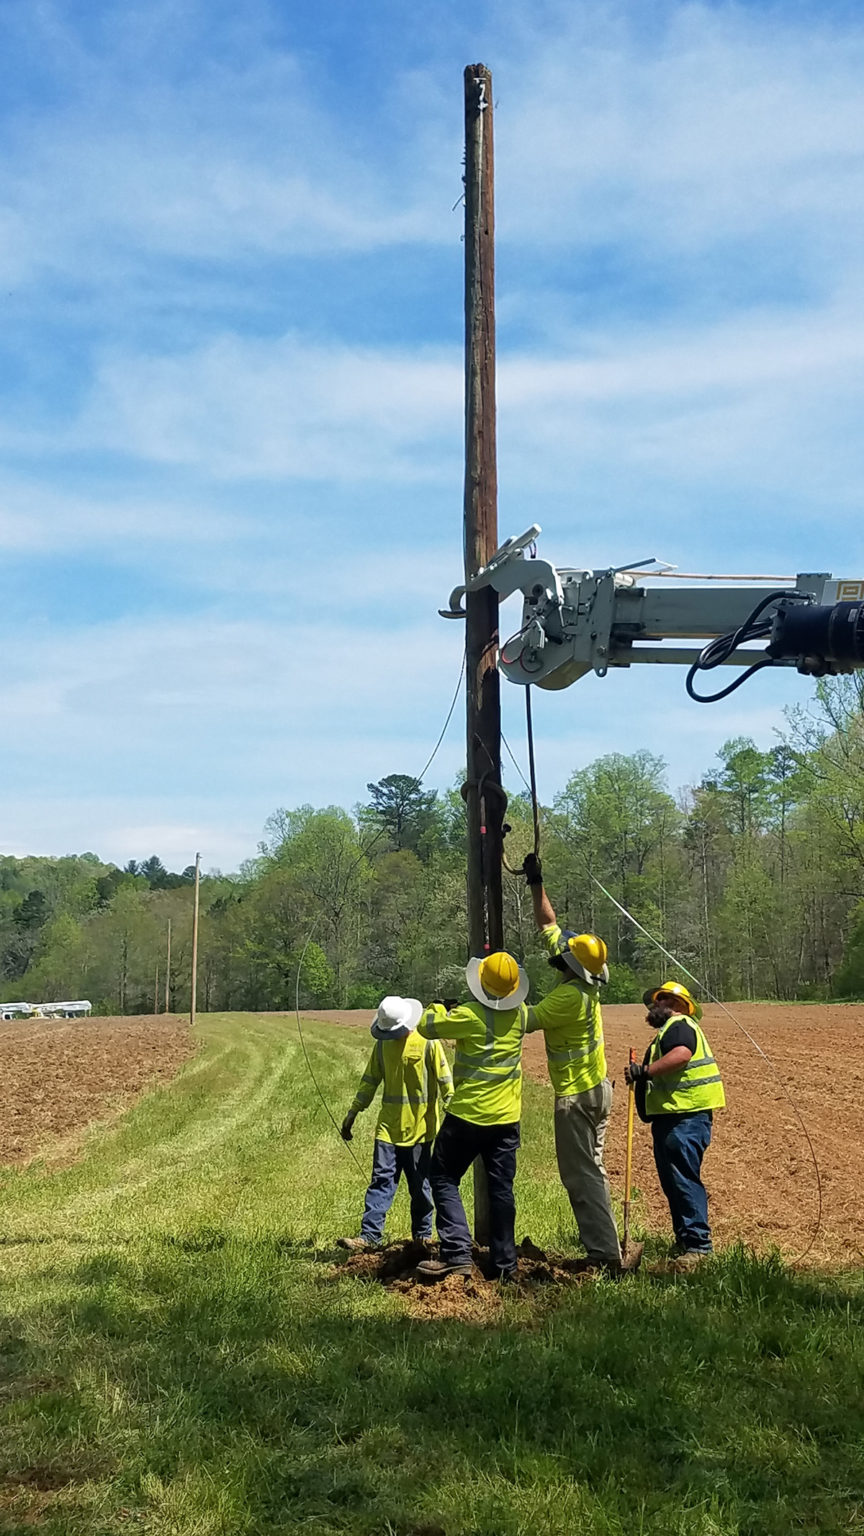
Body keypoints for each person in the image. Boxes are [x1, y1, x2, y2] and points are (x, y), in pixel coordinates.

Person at [521, 853, 641, 1275]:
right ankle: (607, 1242)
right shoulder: (582, 978)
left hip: (577, 1099)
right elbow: (549, 925)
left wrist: (488, 999)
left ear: (571, 966)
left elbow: (523, 1020)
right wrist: (536, 882)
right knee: (594, 1169)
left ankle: (604, 1255)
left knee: (580, 1175)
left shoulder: (568, 998)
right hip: (598, 1091)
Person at [413, 951, 530, 1284]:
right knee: (501, 1190)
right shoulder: (520, 1014)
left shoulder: (469, 1014)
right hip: (506, 1118)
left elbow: (426, 1026)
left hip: (468, 1115)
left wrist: (438, 1006)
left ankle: (457, 1254)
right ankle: (506, 1264)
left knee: (443, 1176)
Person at [338, 994, 453, 1252]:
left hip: (420, 1131)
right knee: (381, 1182)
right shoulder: (382, 1046)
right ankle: (369, 1237)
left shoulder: (428, 1042)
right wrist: (353, 1112)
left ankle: (422, 1239)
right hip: (387, 1130)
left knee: (420, 1188)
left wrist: (453, 1116)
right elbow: (370, 1080)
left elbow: (446, 1082)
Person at [625, 981, 725, 1264]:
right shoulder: (668, 1031)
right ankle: (685, 1241)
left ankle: (698, 1247)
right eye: (657, 1000)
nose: (656, 1005)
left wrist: (645, 1071)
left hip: (685, 1117)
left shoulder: (679, 1025)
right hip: (674, 1117)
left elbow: (681, 1055)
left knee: (683, 1180)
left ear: (680, 1005)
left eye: (663, 1000)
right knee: (674, 1182)